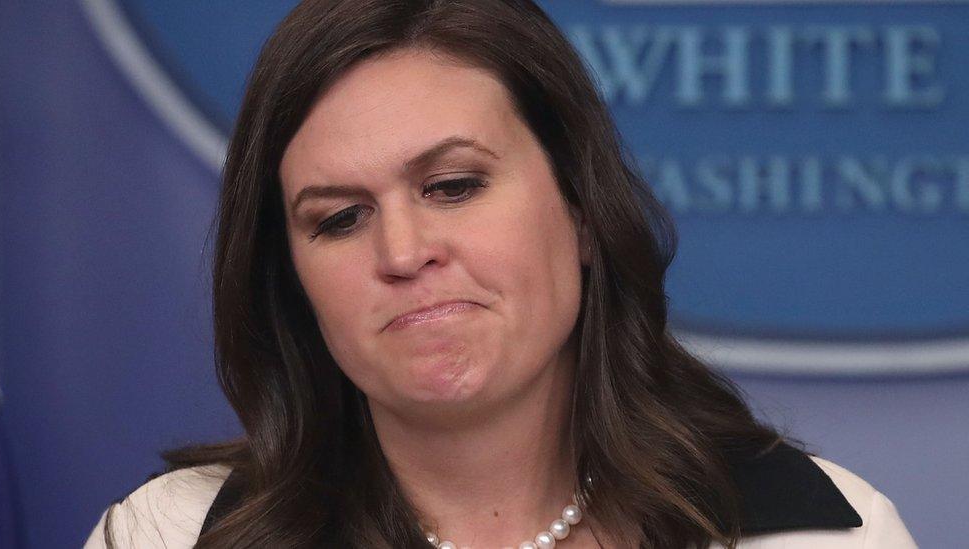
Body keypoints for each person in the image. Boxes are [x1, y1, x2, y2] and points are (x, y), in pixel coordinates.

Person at [85, 1, 917, 547]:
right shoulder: (173, 534)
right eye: (340, 217)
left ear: (583, 214)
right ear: (292, 281)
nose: (404, 253)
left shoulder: (818, 533)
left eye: (453, 186)